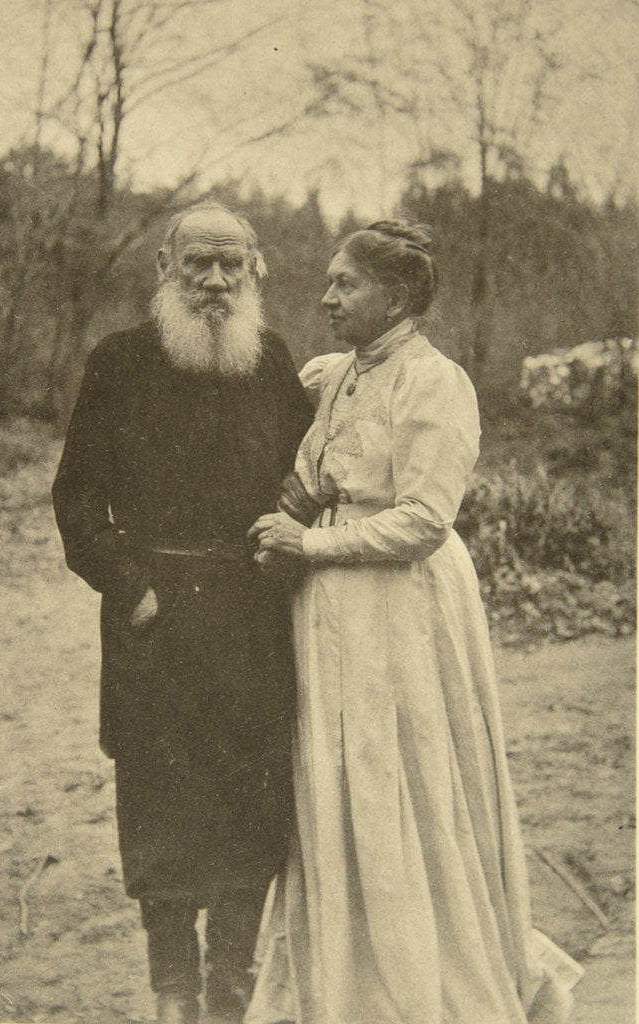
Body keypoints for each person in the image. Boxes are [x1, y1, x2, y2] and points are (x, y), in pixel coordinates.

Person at [247, 221, 582, 1024]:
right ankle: (341, 979)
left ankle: (422, 979)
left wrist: (310, 541)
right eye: (326, 281)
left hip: (401, 606)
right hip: (324, 605)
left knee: (402, 772)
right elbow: (281, 451)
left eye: (344, 284)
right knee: (335, 775)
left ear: (395, 296)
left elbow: (425, 521)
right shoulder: (332, 377)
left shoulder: (436, 383)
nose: (325, 297)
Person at [52, 201, 313, 1024]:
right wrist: (131, 588)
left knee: (252, 804)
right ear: (164, 267)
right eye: (196, 262)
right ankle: (172, 992)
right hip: (154, 621)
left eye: (229, 264)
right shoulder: (120, 361)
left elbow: (310, 479)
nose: (212, 280)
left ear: (253, 269)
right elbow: (77, 498)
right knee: (160, 812)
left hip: (252, 621)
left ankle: (229, 984)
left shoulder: (271, 361)